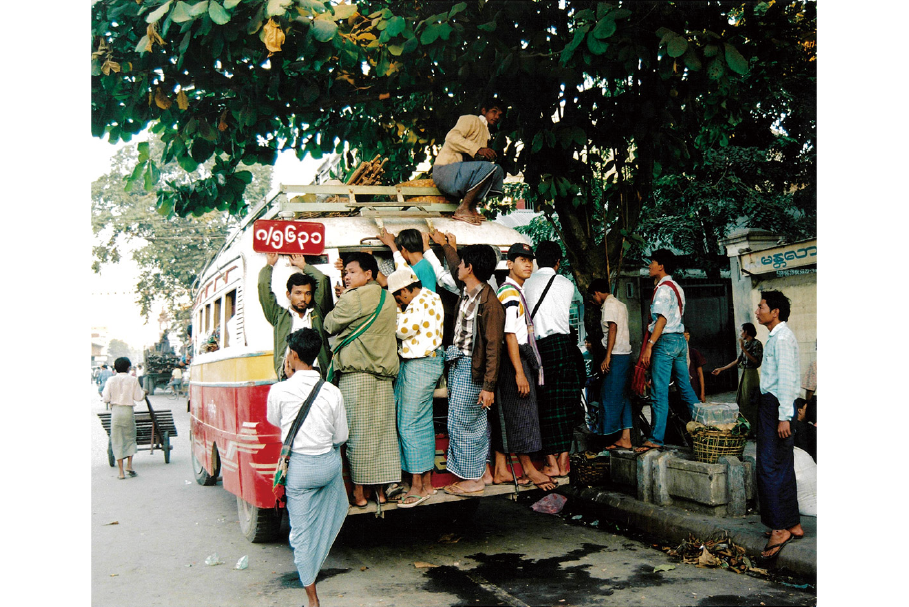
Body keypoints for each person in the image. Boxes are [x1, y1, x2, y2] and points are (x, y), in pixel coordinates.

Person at [266, 328, 348, 607]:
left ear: (294, 355)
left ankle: (313, 601)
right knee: (335, 502)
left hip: (299, 470)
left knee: (301, 535)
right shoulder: (332, 391)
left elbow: (276, 422)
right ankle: (322, 542)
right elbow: (341, 437)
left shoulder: (278, 390)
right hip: (328, 467)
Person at [324, 252, 400, 507]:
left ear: (369, 274)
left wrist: (341, 300)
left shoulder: (353, 298)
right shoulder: (387, 298)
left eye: (352, 272)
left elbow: (329, 324)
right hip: (384, 376)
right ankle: (379, 490)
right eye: (345, 273)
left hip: (357, 376)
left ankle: (359, 493)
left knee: (357, 435)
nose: (346, 277)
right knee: (382, 434)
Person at [438, 243, 504, 496]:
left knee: (466, 423)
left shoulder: (490, 304)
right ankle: (480, 474)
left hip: (471, 369)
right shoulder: (468, 291)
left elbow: (493, 349)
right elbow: (456, 264)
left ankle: (474, 480)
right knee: (463, 422)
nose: (457, 267)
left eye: (462, 263)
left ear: (470, 268)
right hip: (460, 365)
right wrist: (447, 245)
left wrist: (489, 387)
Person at [489, 242, 555, 491]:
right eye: (521, 260)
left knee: (512, 415)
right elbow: (510, 336)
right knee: (521, 415)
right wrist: (519, 372)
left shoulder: (515, 290)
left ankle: (501, 470)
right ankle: (528, 469)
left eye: (530, 260)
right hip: (512, 360)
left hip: (516, 358)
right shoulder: (509, 292)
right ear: (509, 264)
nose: (528, 264)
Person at [386, 267, 445, 507]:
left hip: (420, 364)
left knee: (409, 424)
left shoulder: (417, 303)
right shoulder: (432, 296)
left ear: (406, 290)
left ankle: (418, 485)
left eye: (399, 296)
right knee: (421, 422)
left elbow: (402, 330)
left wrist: (396, 313)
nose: (399, 301)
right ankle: (427, 483)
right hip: (426, 363)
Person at [754, 290, 805, 560]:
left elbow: (786, 380)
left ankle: (779, 528)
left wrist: (785, 415)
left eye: (761, 306)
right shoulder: (776, 337)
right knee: (782, 465)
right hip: (776, 405)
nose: (757, 311)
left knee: (769, 466)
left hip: (777, 406)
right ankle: (792, 523)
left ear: (775, 312)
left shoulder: (782, 338)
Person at [524, 241, 582, 477]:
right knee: (566, 404)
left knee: (545, 404)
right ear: (558, 261)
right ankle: (564, 459)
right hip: (564, 346)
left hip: (539, 348)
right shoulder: (567, 284)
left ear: (537, 260)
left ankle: (550, 462)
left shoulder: (527, 284)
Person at [637, 250, 700, 453]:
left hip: (664, 342)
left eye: (652, 262)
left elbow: (661, 320)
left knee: (659, 392)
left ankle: (655, 438)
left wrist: (649, 345)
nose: (649, 265)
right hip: (680, 341)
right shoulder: (677, 288)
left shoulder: (663, 289)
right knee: (686, 389)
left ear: (661, 266)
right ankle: (706, 427)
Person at [432, 98, 507, 225]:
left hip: (458, 175)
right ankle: (463, 208)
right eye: (493, 112)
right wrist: (478, 149)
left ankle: (471, 207)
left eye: (499, 115)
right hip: (445, 172)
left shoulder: (486, 132)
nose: (496, 116)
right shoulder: (471, 119)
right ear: (484, 110)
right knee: (488, 168)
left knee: (497, 170)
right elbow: (451, 137)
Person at [259, 253, 333, 379]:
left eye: (307, 294)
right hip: (289, 376)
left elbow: (322, 280)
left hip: (318, 376)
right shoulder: (279, 316)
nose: (303, 298)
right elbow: (263, 287)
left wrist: (303, 265)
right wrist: (269, 265)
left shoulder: (317, 313)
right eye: (298, 293)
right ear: (289, 295)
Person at [587, 278, 634, 451]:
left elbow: (612, 328)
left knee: (608, 397)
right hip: (624, 354)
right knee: (623, 396)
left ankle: (607, 437)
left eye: (594, 295)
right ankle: (626, 437)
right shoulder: (620, 304)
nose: (594, 299)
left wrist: (607, 357)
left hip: (616, 354)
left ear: (598, 293)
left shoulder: (609, 305)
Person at [711, 323, 763, 432]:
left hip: (751, 375)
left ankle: (753, 429)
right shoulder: (746, 344)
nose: (740, 333)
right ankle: (745, 428)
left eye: (741, 331)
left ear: (747, 332)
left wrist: (743, 348)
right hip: (744, 374)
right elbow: (737, 360)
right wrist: (721, 369)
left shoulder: (756, 344)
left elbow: (756, 361)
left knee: (751, 401)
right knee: (742, 401)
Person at [102, 357, 146, 480]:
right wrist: (144, 393)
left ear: (115, 368)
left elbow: (105, 398)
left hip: (116, 412)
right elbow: (138, 397)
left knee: (117, 440)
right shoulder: (133, 379)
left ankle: (121, 473)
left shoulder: (111, 380)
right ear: (128, 367)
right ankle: (129, 466)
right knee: (130, 438)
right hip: (128, 412)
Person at [378, 228, 439, 293]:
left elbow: (430, 294)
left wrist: (392, 244)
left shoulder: (424, 266)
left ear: (403, 249)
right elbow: (384, 281)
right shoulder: (412, 266)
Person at [683, 330, 707, 403]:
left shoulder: (694, 352)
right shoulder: (676, 353)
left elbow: (700, 374)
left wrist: (702, 393)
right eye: (684, 335)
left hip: (693, 385)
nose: (686, 337)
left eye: (688, 334)